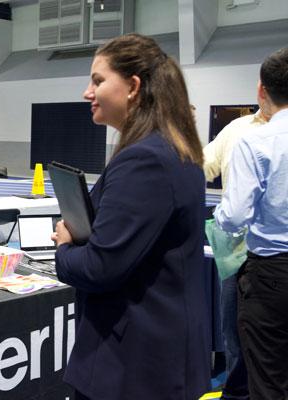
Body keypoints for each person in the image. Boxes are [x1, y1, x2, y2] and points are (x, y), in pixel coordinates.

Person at [51, 34, 210, 399]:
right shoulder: (174, 148)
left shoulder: (144, 159)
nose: (86, 92)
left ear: (133, 86)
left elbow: (99, 267)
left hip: (134, 365)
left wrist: (64, 248)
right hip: (158, 356)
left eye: (97, 80)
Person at [214, 47, 288, 400]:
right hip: (267, 273)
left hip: (270, 274)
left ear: (262, 90)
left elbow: (233, 216)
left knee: (266, 377)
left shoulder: (256, 142)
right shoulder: (238, 131)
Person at [203, 97, 269, 400]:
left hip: (276, 257)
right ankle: (236, 392)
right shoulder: (236, 129)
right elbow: (202, 165)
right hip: (236, 257)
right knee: (234, 335)